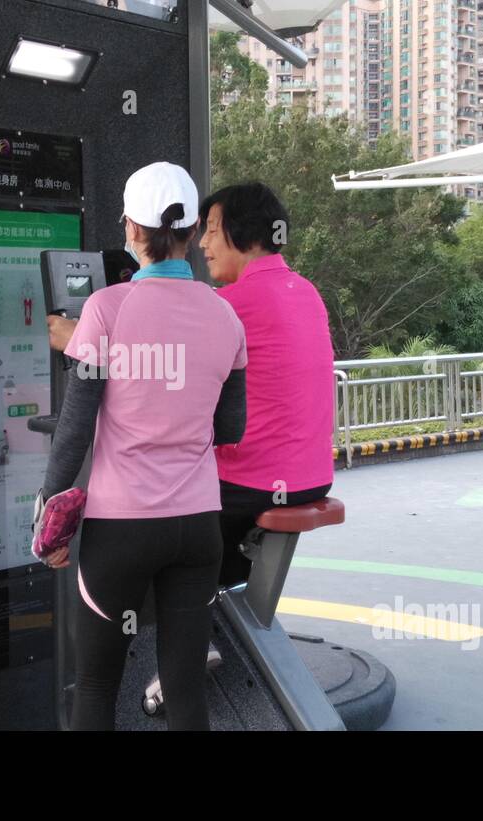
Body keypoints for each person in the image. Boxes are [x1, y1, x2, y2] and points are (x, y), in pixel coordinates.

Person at [40, 161, 247, 731]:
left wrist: (50, 520)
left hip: (121, 528)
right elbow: (231, 428)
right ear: (189, 233)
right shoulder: (225, 315)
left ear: (132, 231)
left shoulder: (105, 309)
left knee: (97, 687)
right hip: (198, 526)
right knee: (184, 690)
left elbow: (75, 428)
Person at [198, 182, 334, 587]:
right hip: (313, 475)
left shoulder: (228, 303)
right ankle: (223, 633)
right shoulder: (307, 291)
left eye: (211, 229)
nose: (203, 242)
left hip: (252, 481)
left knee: (162, 525)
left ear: (244, 233)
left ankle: (193, 641)